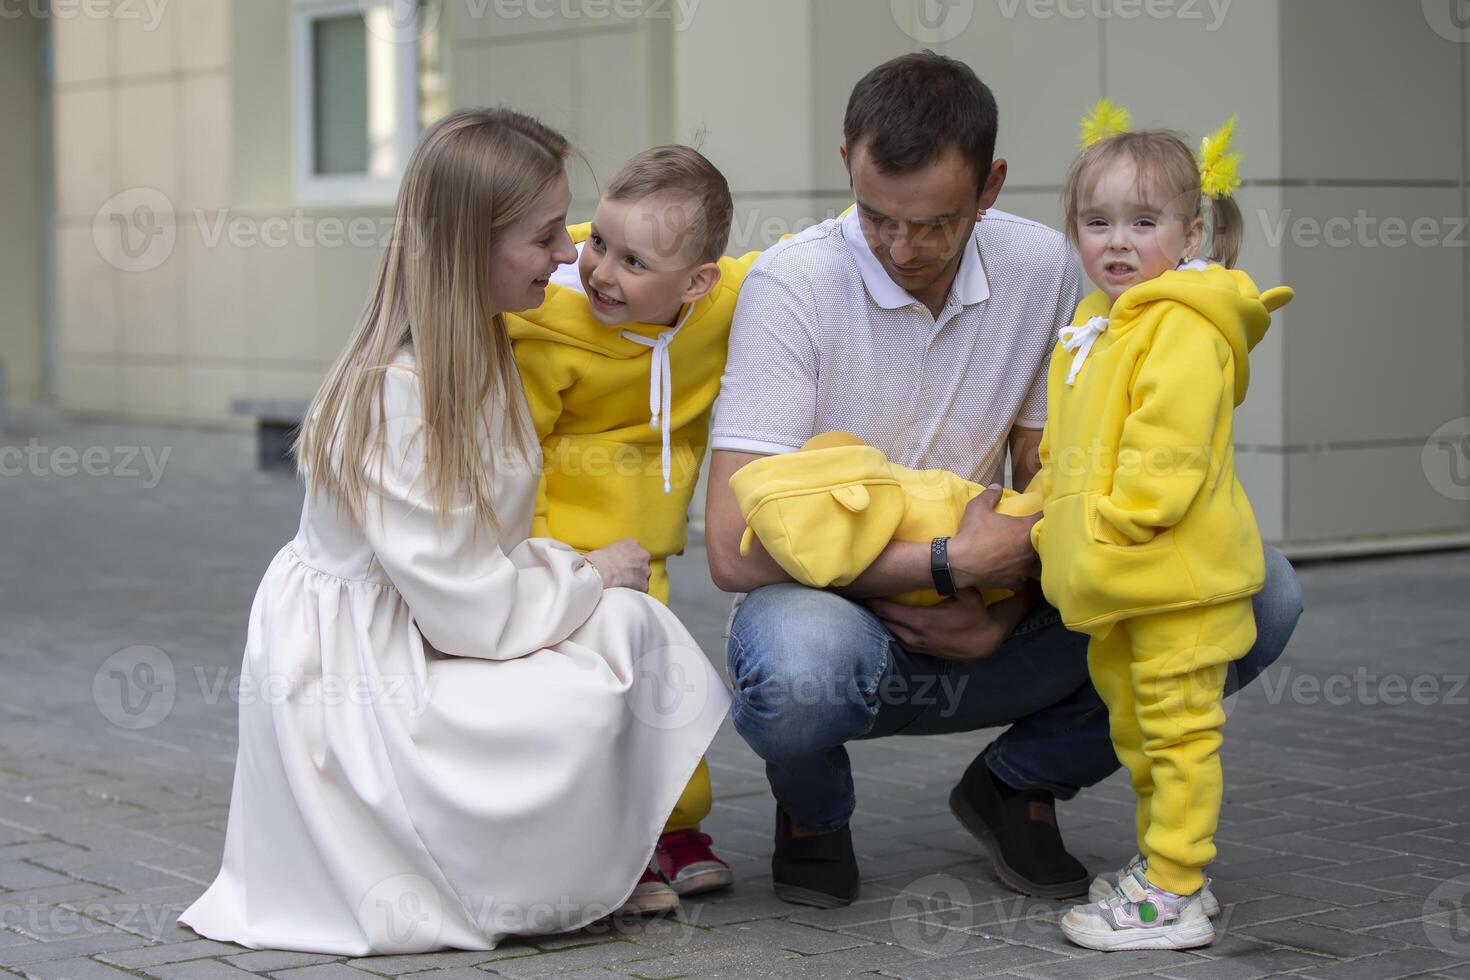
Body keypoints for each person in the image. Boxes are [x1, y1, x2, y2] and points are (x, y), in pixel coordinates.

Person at [705, 52, 1304, 911]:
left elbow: (1051, 473)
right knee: (798, 662)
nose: (904, 247)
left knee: (1259, 594)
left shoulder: (1050, 268)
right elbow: (729, 549)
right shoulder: (790, 283)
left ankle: (1017, 784)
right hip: (849, 624)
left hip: (1003, 611)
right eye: (879, 218)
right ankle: (812, 814)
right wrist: (944, 566)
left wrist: (1009, 597)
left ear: (991, 186)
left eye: (937, 223)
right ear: (847, 163)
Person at [178, 109, 727, 955]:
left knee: (632, 631)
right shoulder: (402, 389)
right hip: (360, 676)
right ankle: (517, 876)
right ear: (472, 246)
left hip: (426, 622)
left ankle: (575, 862)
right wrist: (587, 574)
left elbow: (472, 568)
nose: (569, 255)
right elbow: (467, 606)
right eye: (549, 236)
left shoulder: (481, 338)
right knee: (609, 644)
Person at [1042, 105, 1292, 951]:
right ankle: (1167, 865)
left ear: (1192, 234)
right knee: (1137, 732)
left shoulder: (1182, 324)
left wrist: (1111, 525)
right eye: (1097, 221)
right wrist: (1049, 522)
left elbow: (1167, 453)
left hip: (1175, 582)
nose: (1117, 241)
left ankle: (1175, 891)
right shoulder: (1099, 323)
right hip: (1122, 586)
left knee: (1180, 734)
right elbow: (1072, 446)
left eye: (1142, 223)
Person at [507, 145, 762, 913]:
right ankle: (608, 841)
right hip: (558, 546)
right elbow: (515, 453)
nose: (601, 271)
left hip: (645, 546)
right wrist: (547, 558)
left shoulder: (724, 302)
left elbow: (813, 253)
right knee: (586, 698)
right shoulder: (542, 321)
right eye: (597, 244)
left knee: (659, 683)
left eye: (633, 262)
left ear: (695, 282)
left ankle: (675, 828)